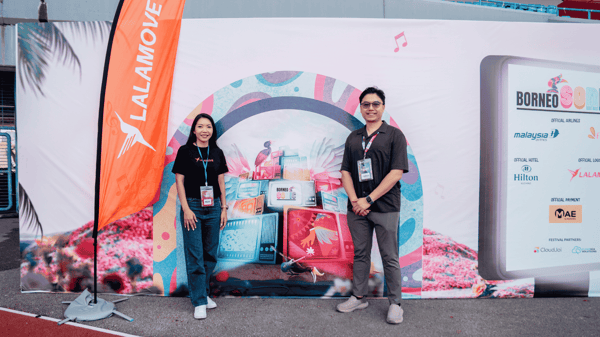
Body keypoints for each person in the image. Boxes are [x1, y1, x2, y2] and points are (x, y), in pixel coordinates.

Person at [336, 87, 409, 324]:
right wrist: (356, 200)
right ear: (360, 107)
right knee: (360, 254)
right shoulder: (354, 137)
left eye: (375, 104)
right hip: (356, 208)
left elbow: (396, 173)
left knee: (390, 256)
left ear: (383, 107)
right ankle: (358, 297)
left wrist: (369, 199)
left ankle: (395, 304)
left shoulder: (394, 135)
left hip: (385, 207)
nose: (370, 108)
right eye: (366, 104)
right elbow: (345, 172)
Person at [172, 113, 229, 320]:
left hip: (213, 207)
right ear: (194, 130)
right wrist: (186, 209)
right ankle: (198, 302)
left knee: (210, 255)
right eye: (201, 126)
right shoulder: (185, 151)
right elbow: (179, 182)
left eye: (209, 127)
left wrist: (223, 208)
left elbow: (221, 183)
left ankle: (203, 294)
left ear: (212, 130)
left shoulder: (217, 152)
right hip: (193, 206)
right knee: (195, 256)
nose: (205, 130)